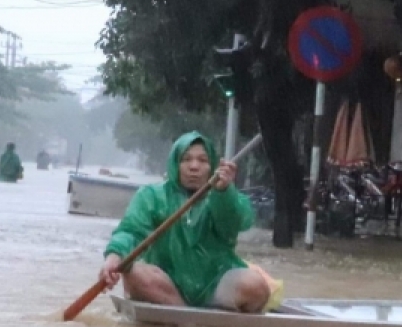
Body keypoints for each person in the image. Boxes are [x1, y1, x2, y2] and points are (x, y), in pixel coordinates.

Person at [99, 131, 274, 313]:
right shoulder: (150, 196)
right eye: (186, 159)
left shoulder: (225, 195)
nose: (194, 166)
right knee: (132, 273)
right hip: (166, 285)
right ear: (175, 164)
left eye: (202, 160)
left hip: (216, 283)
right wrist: (114, 257)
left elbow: (237, 222)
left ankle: (196, 316)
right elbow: (130, 231)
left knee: (256, 287)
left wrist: (224, 193)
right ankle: (187, 318)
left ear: (212, 166)